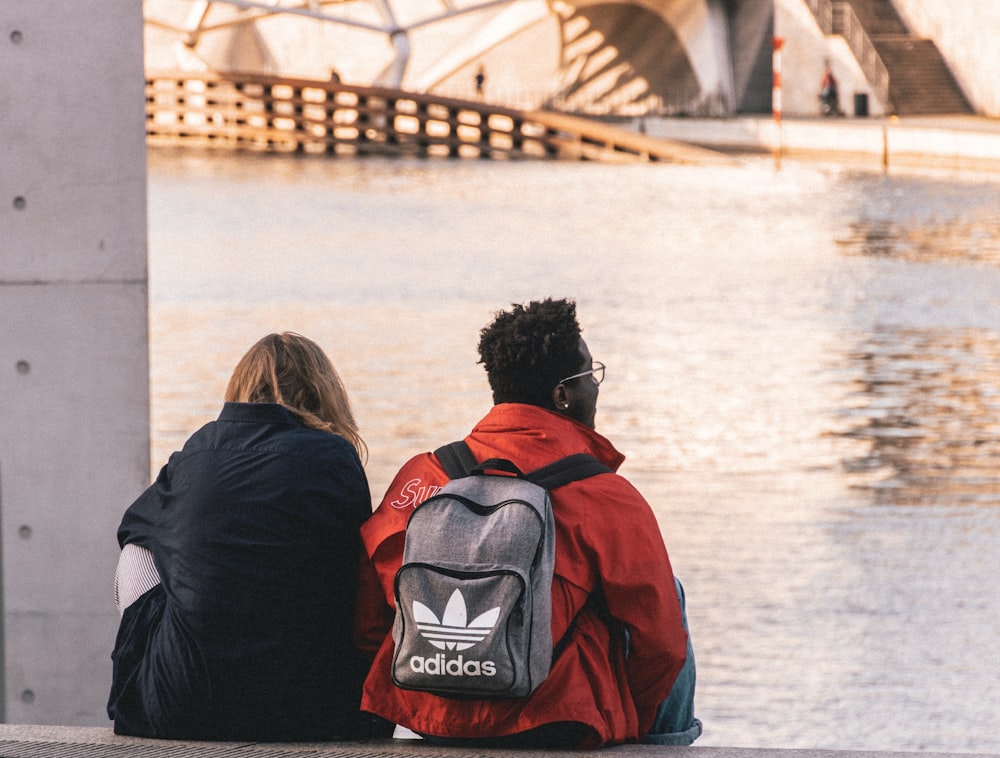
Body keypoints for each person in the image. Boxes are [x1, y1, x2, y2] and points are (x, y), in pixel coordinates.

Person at [355, 298, 701, 748]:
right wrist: (621, 722)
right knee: (667, 592)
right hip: (556, 720)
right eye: (588, 375)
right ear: (563, 396)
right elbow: (661, 646)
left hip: (427, 712)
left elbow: (371, 616)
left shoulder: (423, 475)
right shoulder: (604, 496)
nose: (595, 387)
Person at [108, 332, 372, 741]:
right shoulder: (335, 457)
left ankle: (144, 672)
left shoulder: (198, 450)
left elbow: (133, 530)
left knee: (141, 549)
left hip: (181, 705)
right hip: (310, 710)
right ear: (323, 392)